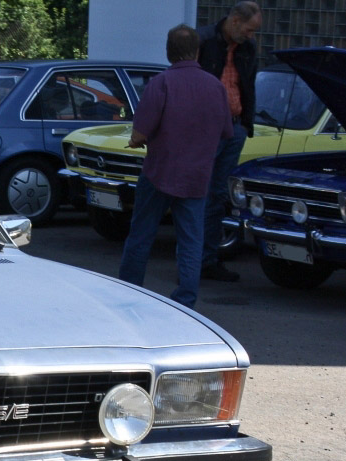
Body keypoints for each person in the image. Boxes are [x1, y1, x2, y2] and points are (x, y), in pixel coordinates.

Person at [117, 24, 232, 310]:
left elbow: (141, 133)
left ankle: (129, 292)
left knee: (141, 236)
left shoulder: (161, 83)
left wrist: (137, 142)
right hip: (197, 177)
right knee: (191, 242)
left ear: (169, 52)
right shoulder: (216, 87)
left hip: (160, 172)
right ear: (197, 51)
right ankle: (185, 300)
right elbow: (227, 132)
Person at [197, 1, 262, 282]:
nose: (251, 35)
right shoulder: (203, 41)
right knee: (197, 195)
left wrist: (246, 125)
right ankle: (191, 262)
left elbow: (249, 84)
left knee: (218, 196)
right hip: (205, 130)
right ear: (235, 21)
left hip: (234, 128)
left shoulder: (247, 48)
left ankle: (208, 260)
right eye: (249, 29)